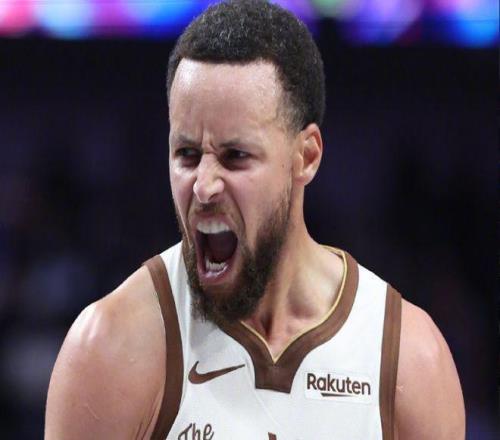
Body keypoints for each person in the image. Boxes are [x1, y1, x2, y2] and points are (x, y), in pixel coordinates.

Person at [45, 1, 465, 438]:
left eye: (235, 156)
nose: (204, 185)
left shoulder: (408, 359)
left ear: (306, 157)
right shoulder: (112, 347)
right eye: (187, 154)